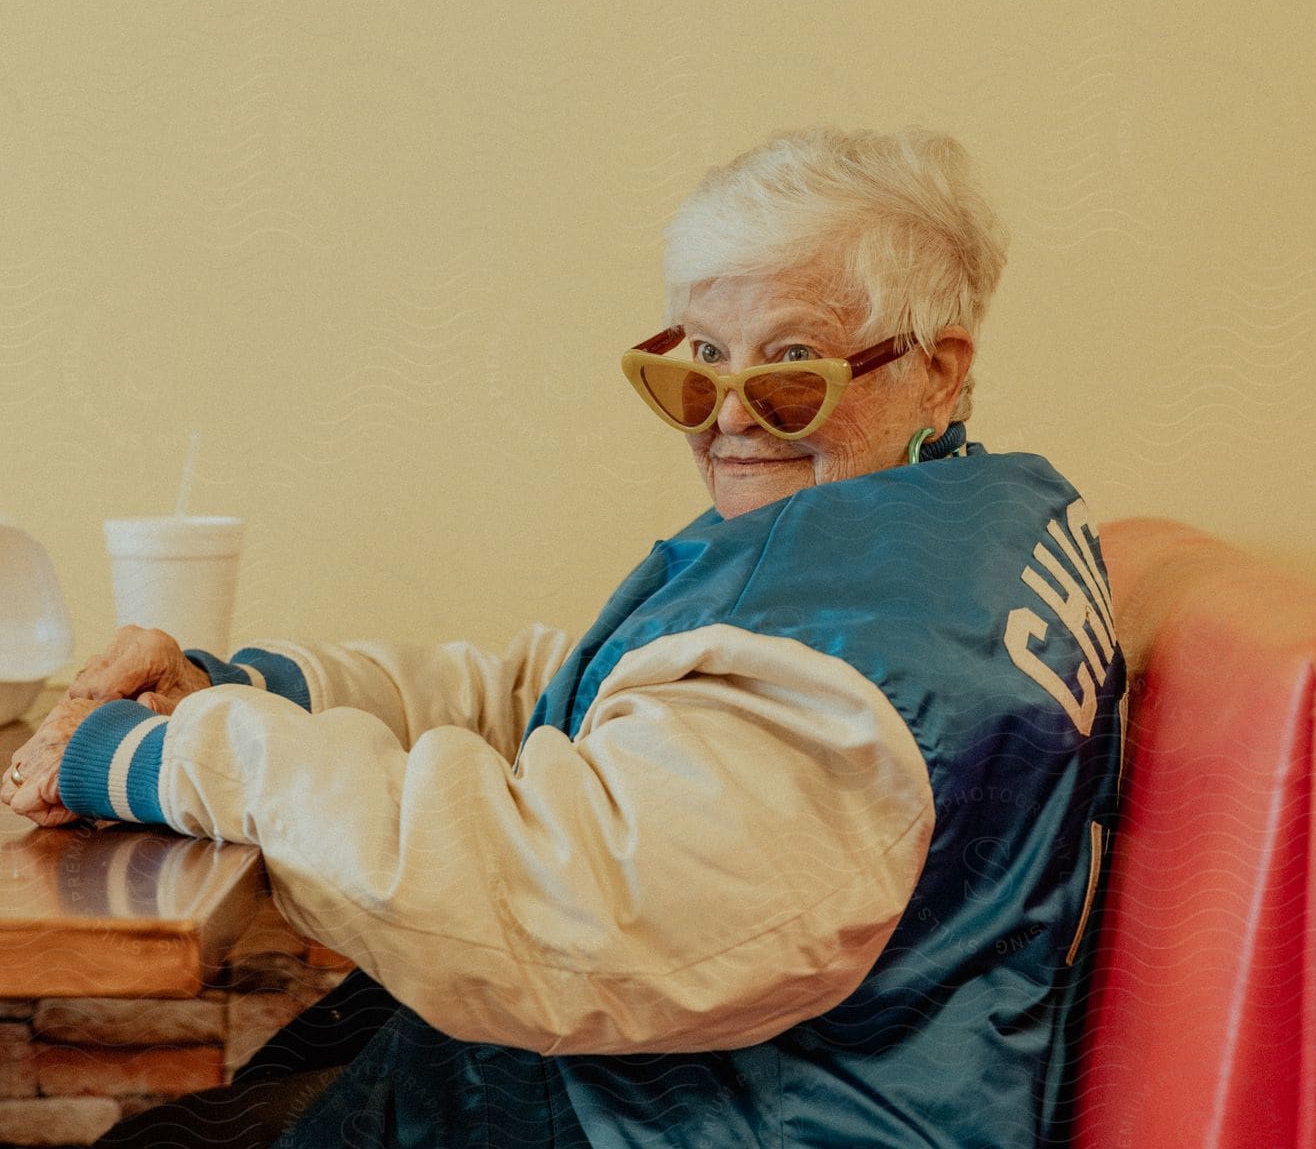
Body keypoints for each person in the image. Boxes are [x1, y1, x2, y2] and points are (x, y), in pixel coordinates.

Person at [1, 126, 1127, 1149]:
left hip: (721, 1114)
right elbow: (590, 693)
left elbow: (551, 925)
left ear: (940, 364)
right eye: (696, 368)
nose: (729, 418)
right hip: (739, 1073)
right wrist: (238, 684)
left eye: (790, 374)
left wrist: (157, 757)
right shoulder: (936, 526)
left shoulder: (854, 656)